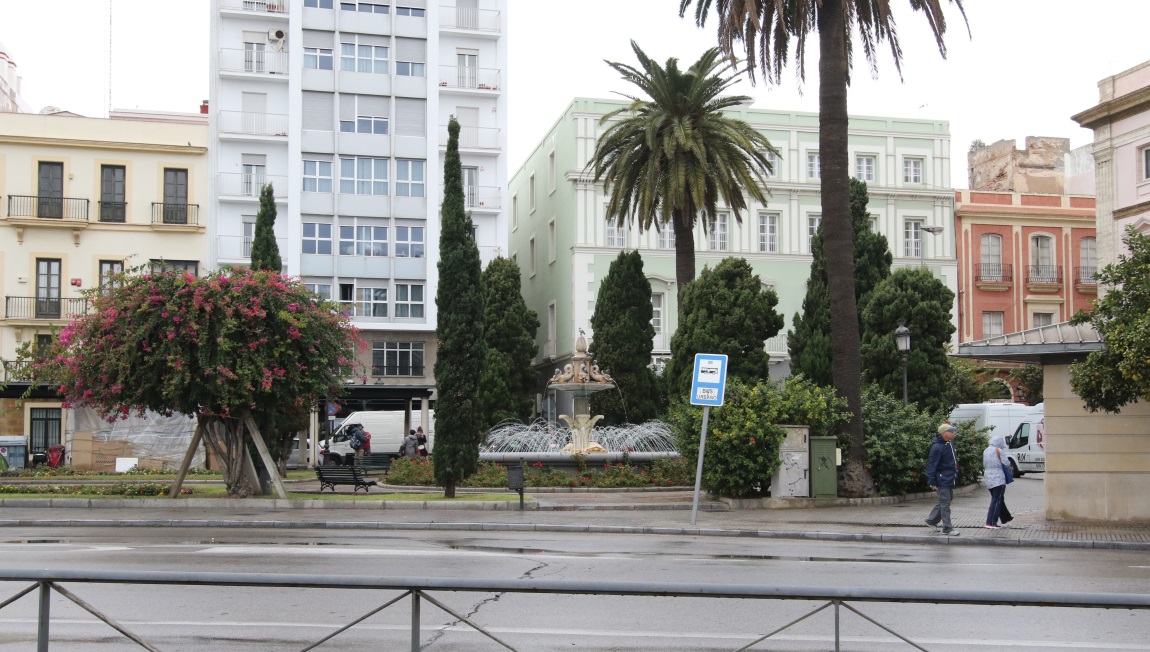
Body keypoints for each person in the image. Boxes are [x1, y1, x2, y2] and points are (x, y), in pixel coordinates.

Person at [925, 423, 960, 536]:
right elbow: (932, 465)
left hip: (949, 477)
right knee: (945, 503)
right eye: (951, 431)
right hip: (942, 479)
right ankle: (947, 528)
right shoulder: (937, 447)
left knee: (946, 501)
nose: (953, 433)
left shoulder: (949, 443)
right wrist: (932, 481)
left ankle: (931, 520)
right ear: (944, 433)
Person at [983, 434, 1014, 528]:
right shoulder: (998, 450)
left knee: (999, 499)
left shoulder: (986, 450)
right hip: (998, 478)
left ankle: (1005, 518)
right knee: (996, 500)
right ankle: (990, 522)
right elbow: (1007, 463)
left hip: (988, 478)